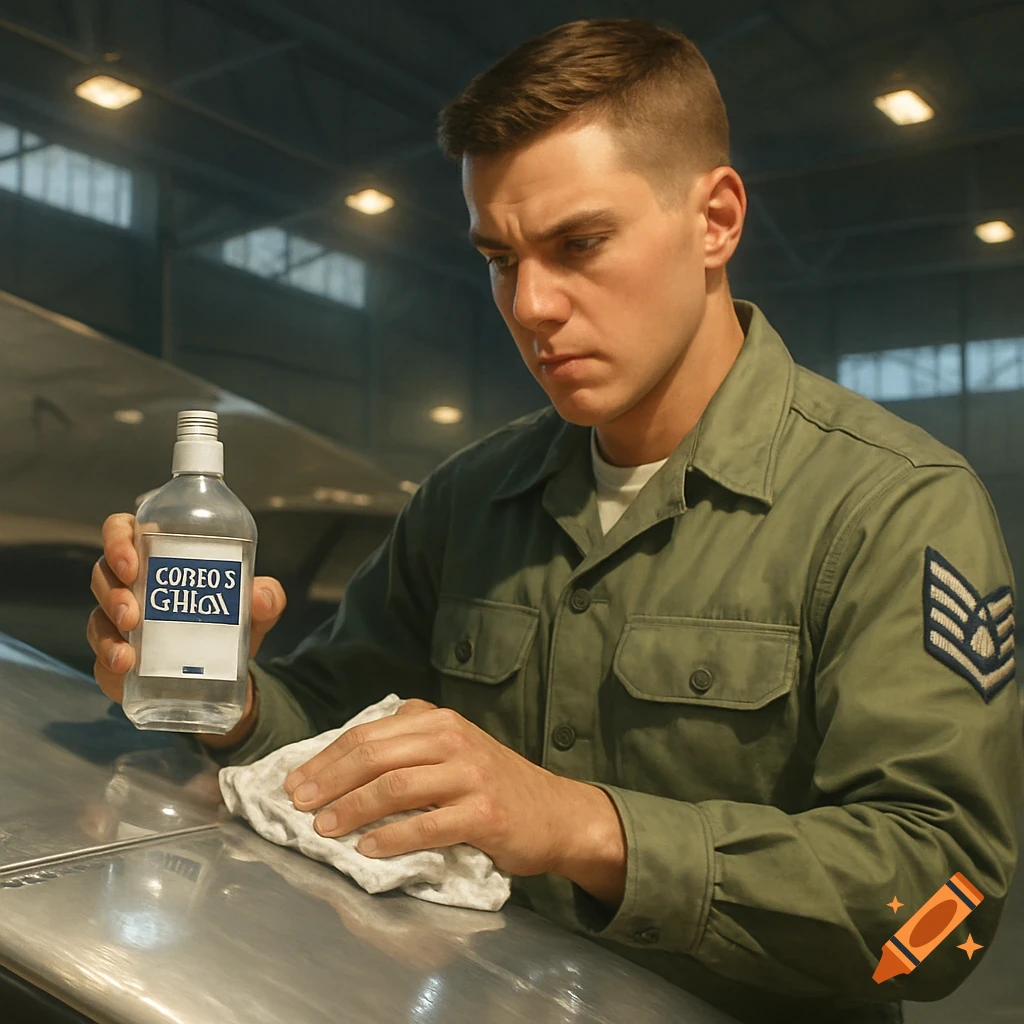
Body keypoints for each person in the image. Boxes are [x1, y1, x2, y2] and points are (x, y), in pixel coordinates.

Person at [87, 18, 1022, 1024]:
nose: (530, 304)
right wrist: (221, 697)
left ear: (714, 219)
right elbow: (328, 728)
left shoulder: (889, 507)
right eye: (499, 256)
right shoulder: (469, 499)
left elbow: (940, 899)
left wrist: (584, 827)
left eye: (579, 244)